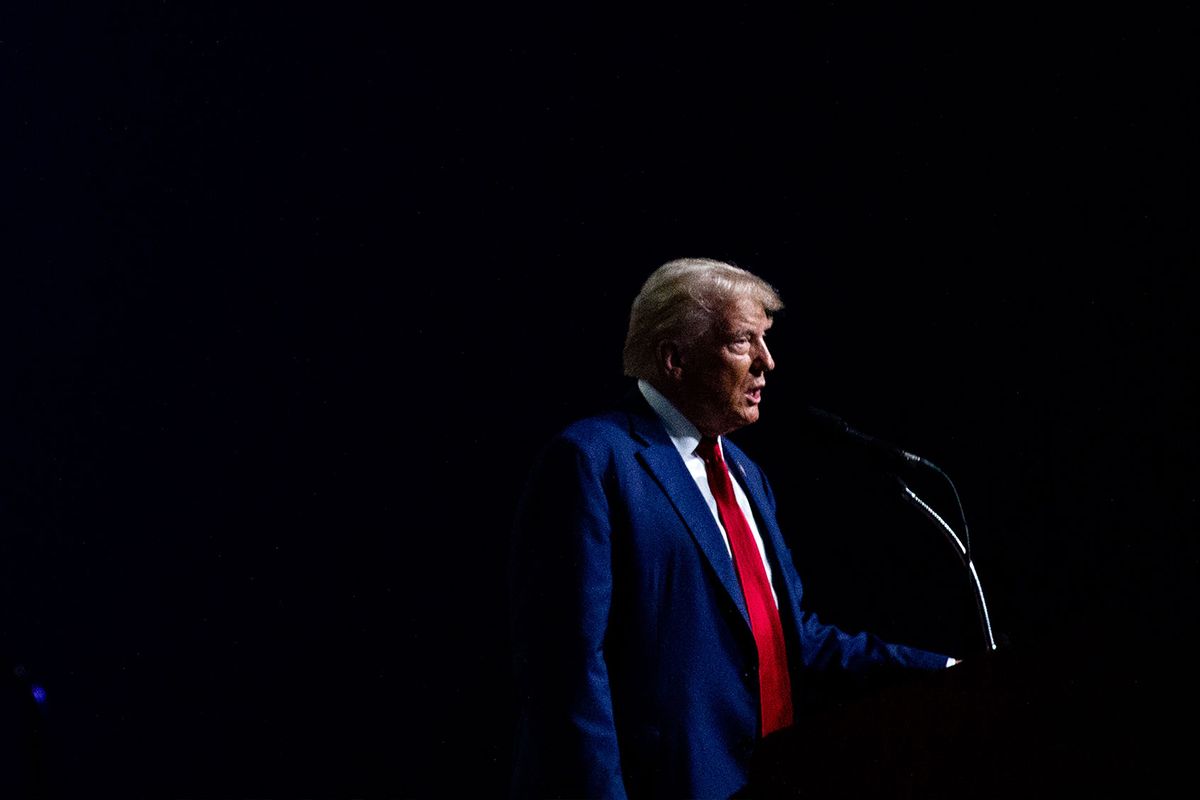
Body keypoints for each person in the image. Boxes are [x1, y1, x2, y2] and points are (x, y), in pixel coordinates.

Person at [509, 258, 955, 799]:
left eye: (764, 341)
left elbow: (791, 641)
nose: (767, 363)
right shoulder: (593, 461)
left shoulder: (747, 475)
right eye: (743, 342)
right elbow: (571, 671)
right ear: (674, 359)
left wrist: (949, 671)